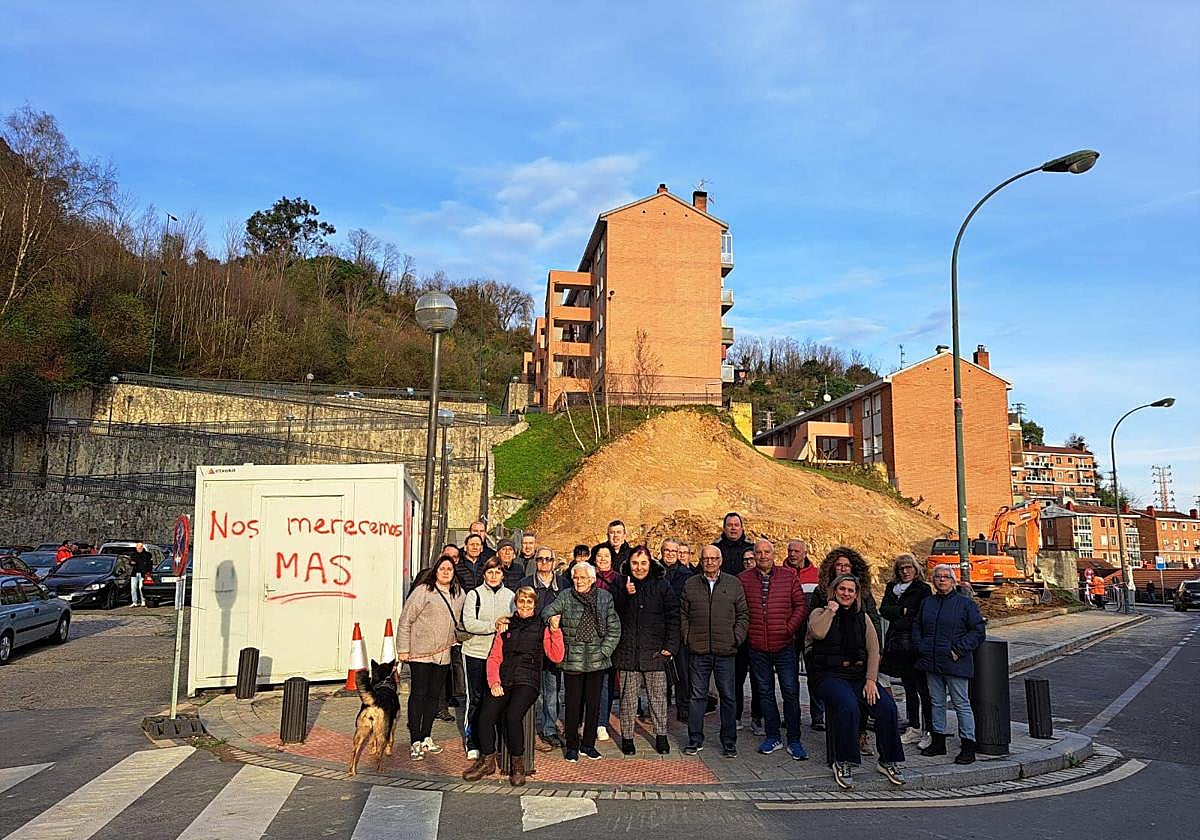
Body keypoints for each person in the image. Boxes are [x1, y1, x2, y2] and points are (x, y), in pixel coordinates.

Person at [806, 574, 906, 789]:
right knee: (848, 706)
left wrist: (871, 680)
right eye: (842, 589)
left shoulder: (863, 618)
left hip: (858, 676)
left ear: (856, 594)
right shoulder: (819, 613)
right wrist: (831, 610)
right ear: (834, 590)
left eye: (851, 590)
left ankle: (888, 759)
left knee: (887, 707)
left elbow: (873, 649)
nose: (846, 593)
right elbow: (818, 633)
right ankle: (843, 760)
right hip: (828, 676)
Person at [462, 586, 564, 786]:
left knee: (512, 715)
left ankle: (518, 765)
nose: (524, 605)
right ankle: (488, 760)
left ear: (534, 605)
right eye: (521, 601)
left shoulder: (541, 628)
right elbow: (494, 658)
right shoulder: (505, 627)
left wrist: (555, 631)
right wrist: (494, 682)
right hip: (504, 679)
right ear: (516, 603)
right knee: (485, 716)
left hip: (527, 681)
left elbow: (556, 656)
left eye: (529, 601)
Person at [542, 561, 621, 762]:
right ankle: (571, 746)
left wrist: (604, 652)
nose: (578, 581)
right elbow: (546, 612)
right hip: (572, 661)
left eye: (583, 578)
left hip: (597, 660)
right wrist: (552, 619)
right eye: (576, 577)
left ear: (592, 579)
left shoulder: (604, 598)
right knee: (573, 705)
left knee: (593, 705)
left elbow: (615, 628)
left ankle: (588, 745)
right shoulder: (566, 596)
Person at [739, 538, 808, 759]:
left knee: (790, 691)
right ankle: (773, 736)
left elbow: (800, 606)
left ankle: (794, 739)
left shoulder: (789, 577)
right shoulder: (744, 579)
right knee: (765, 692)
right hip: (757, 647)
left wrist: (789, 628)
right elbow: (740, 611)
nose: (763, 556)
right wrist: (748, 632)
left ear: (773, 553)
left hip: (784, 645)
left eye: (766, 552)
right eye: (758, 552)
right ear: (754, 555)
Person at [914, 564, 987, 765]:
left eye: (946, 577)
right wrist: (921, 646)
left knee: (961, 703)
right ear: (933, 580)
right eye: (938, 577)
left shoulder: (965, 604)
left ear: (953, 581)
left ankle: (968, 745)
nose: (942, 580)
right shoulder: (928, 602)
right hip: (931, 661)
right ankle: (938, 741)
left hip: (955, 662)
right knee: (936, 702)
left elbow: (978, 631)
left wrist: (959, 650)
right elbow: (917, 626)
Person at [681, 544, 749, 758]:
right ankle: (695, 739)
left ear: (720, 561)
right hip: (698, 650)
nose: (710, 562)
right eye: (706, 558)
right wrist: (688, 637)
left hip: (725, 651)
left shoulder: (733, 583)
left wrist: (736, 638)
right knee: (697, 696)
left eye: (713, 558)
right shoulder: (691, 584)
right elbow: (683, 614)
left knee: (728, 697)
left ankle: (729, 742)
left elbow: (743, 615)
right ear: (701, 561)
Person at [807, 547, 882, 741]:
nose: (842, 568)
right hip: (829, 657)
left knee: (865, 698)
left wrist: (875, 647)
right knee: (842, 702)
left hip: (857, 652)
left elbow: (872, 619)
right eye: (839, 565)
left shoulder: (862, 592)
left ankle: (861, 734)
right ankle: (839, 743)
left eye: (846, 565)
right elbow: (815, 626)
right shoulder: (821, 591)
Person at [611, 546, 680, 755]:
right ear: (629, 564)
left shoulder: (662, 585)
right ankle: (628, 737)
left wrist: (670, 646)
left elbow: (673, 617)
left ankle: (661, 736)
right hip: (627, 652)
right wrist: (626, 595)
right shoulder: (621, 584)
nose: (639, 568)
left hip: (655, 652)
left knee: (658, 698)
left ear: (650, 564)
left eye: (643, 563)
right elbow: (613, 614)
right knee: (628, 699)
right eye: (635, 563)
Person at [396, 554, 465, 760]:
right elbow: (405, 620)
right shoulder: (423, 591)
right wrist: (402, 648)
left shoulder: (458, 594)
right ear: (435, 571)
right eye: (442, 568)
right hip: (420, 653)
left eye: (449, 569)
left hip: (443, 653)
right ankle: (415, 739)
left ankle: (427, 736)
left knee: (434, 696)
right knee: (419, 694)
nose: (445, 572)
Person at [461, 557, 515, 760]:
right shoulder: (473, 595)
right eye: (490, 572)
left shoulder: (510, 596)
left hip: (500, 657)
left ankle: (494, 742)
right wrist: (494, 625)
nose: (494, 576)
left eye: (498, 572)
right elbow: (469, 623)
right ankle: (472, 741)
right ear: (484, 574)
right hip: (475, 653)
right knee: (475, 698)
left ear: (503, 574)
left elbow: (514, 622)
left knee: (495, 700)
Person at [879, 554, 933, 745]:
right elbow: (884, 610)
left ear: (915, 568)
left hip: (915, 644)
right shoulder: (891, 588)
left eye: (908, 567)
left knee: (923, 689)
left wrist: (900, 613)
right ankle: (914, 726)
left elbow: (922, 614)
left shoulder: (923, 589)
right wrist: (903, 611)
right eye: (901, 568)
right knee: (909, 687)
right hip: (897, 645)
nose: (905, 571)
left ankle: (930, 729)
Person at [519, 547, 567, 751]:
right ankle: (527, 728)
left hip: (553, 644)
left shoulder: (564, 584)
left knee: (552, 690)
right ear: (535, 561)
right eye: (540, 559)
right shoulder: (525, 584)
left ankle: (549, 729)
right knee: (528, 688)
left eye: (548, 559)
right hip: (531, 644)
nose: (544, 563)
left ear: (554, 562)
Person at [590, 542, 623, 741]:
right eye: (600, 556)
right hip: (588, 637)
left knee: (605, 681)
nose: (603, 559)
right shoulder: (587, 577)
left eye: (607, 556)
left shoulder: (618, 580)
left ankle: (601, 721)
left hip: (610, 637)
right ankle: (589, 718)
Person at [661, 538, 694, 721]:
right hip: (659, 629)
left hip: (680, 628)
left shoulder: (687, 574)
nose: (671, 554)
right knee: (660, 672)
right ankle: (660, 707)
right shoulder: (655, 572)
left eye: (674, 551)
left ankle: (684, 706)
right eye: (667, 551)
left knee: (682, 670)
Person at [734, 545, 764, 734]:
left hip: (757, 637)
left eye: (751, 559)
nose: (748, 562)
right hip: (740, 639)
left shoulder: (764, 581)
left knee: (758, 680)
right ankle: (736, 716)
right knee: (736, 680)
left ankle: (756, 717)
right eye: (745, 560)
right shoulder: (738, 581)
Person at [714, 512, 754, 577]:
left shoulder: (752, 548)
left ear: (742, 528)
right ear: (724, 529)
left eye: (736, 525)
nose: (733, 528)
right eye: (729, 525)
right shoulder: (714, 548)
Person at [129, 542, 153, 607]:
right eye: (138, 548)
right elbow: (130, 562)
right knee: (133, 588)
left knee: (141, 588)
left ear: (142, 547)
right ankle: (134, 602)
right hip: (134, 573)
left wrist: (148, 572)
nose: (139, 549)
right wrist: (132, 563)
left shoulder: (147, 555)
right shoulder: (133, 554)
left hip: (143, 573)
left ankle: (143, 600)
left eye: (140, 547)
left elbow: (150, 564)